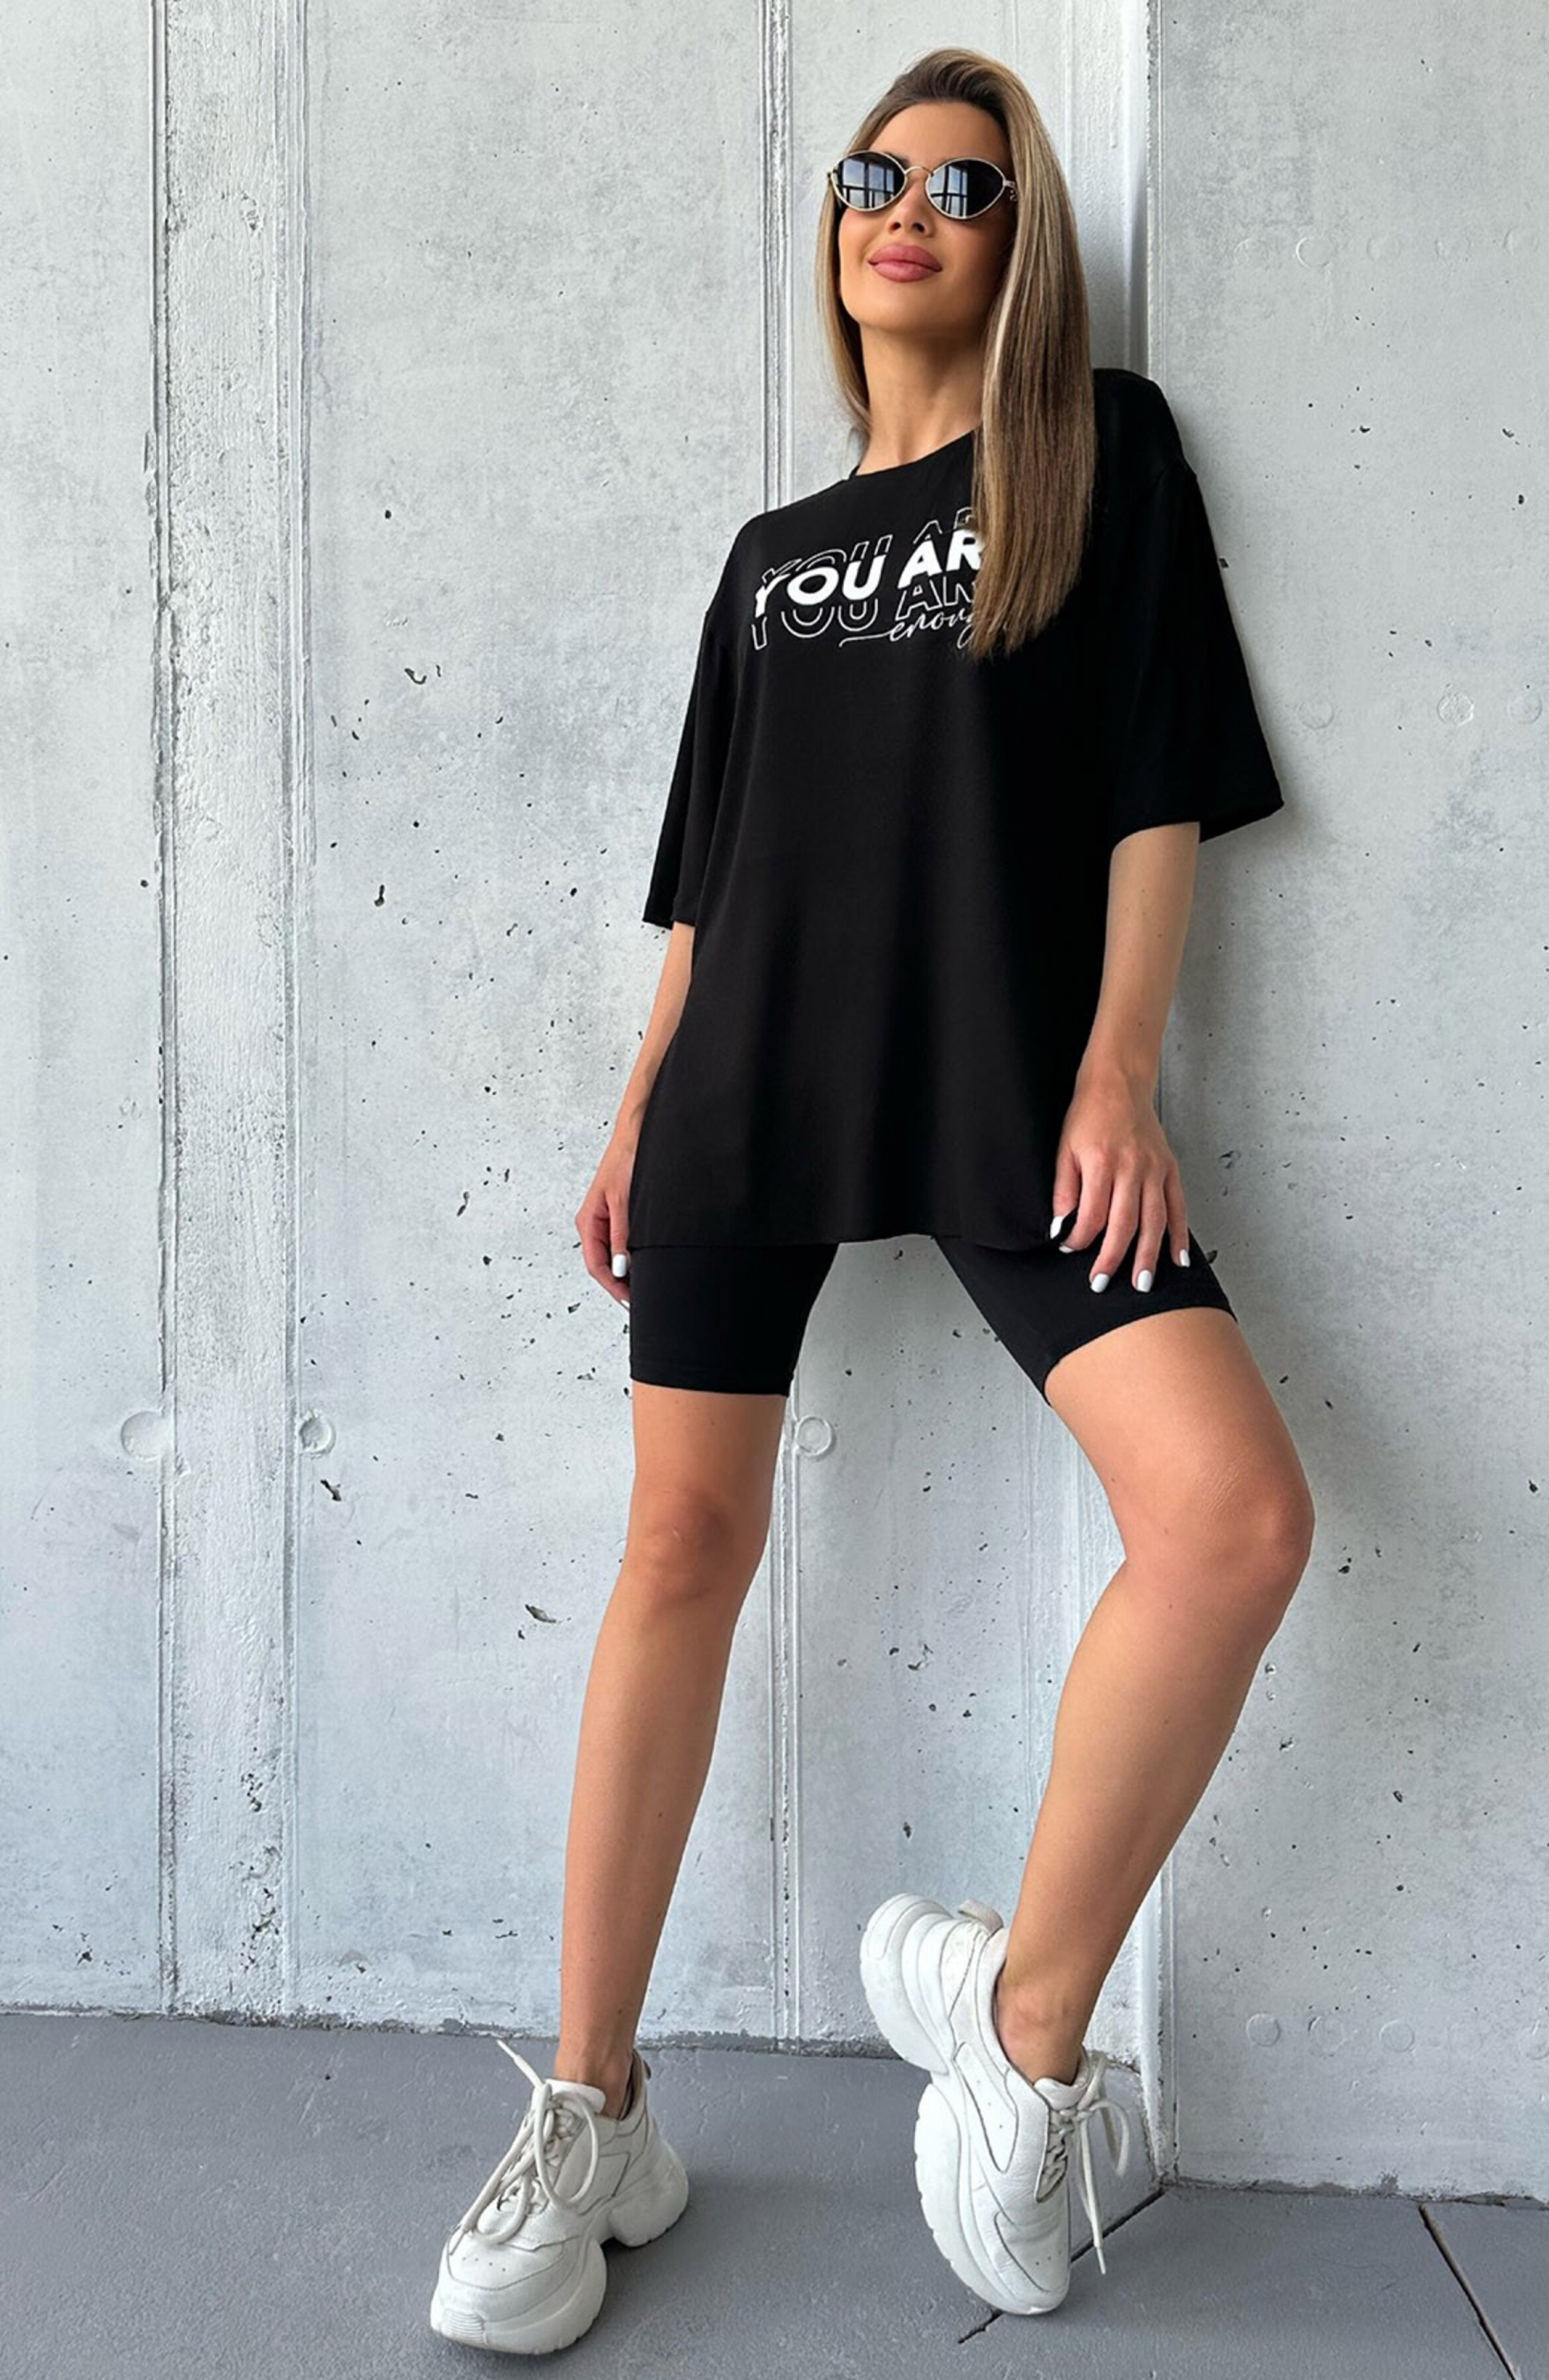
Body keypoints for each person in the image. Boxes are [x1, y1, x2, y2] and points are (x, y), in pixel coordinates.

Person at [430, 44, 1314, 2356]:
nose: (902, 210)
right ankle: (596, 2110)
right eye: (868, 177)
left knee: (1229, 1520)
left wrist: (1119, 1071)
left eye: (960, 185)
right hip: (745, 1088)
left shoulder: (1093, 452)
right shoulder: (766, 562)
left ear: (1022, 248)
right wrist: (639, 1104)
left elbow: (1151, 786)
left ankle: (1018, 2027)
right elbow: (708, 887)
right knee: (677, 1548)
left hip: (1012, 1088)